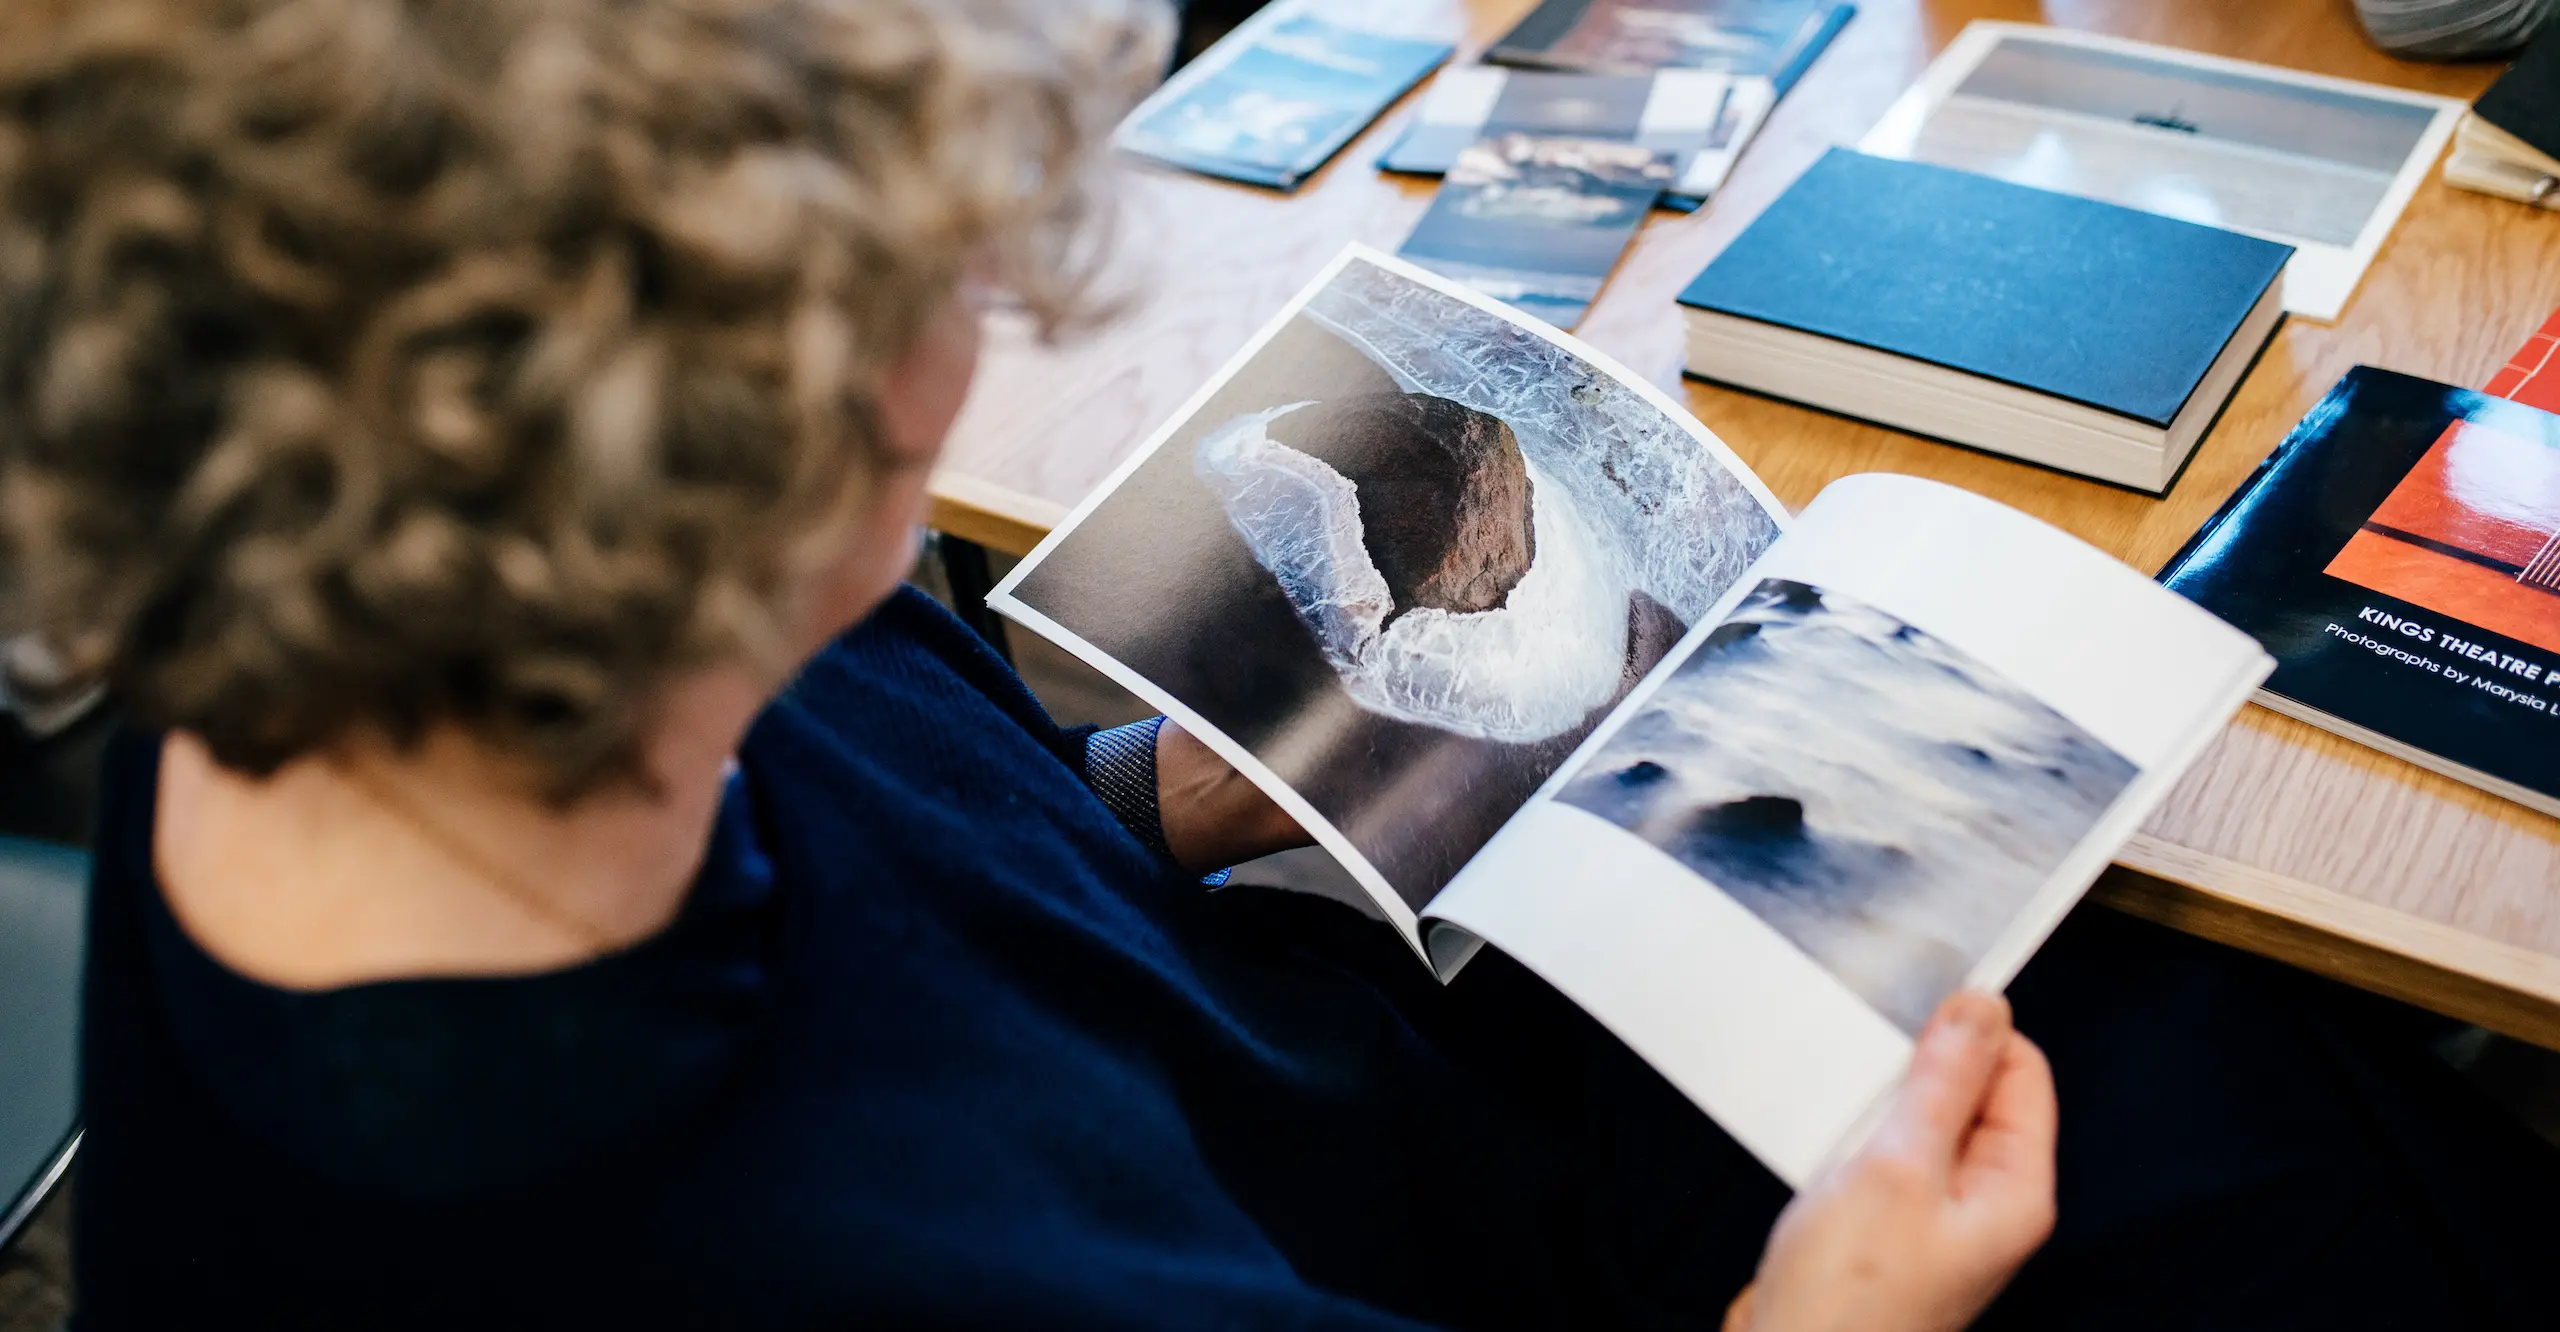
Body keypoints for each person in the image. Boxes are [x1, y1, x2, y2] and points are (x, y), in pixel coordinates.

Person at [1, 0, 2553, 1327]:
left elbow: (894, 879)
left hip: (1341, 1093)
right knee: (2259, 1133)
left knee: (2181, 978)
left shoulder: (321, 639)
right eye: (930, 289)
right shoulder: (796, 1271)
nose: (987, 313)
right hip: (1452, 1256)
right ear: (710, 463)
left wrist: (1174, 794)